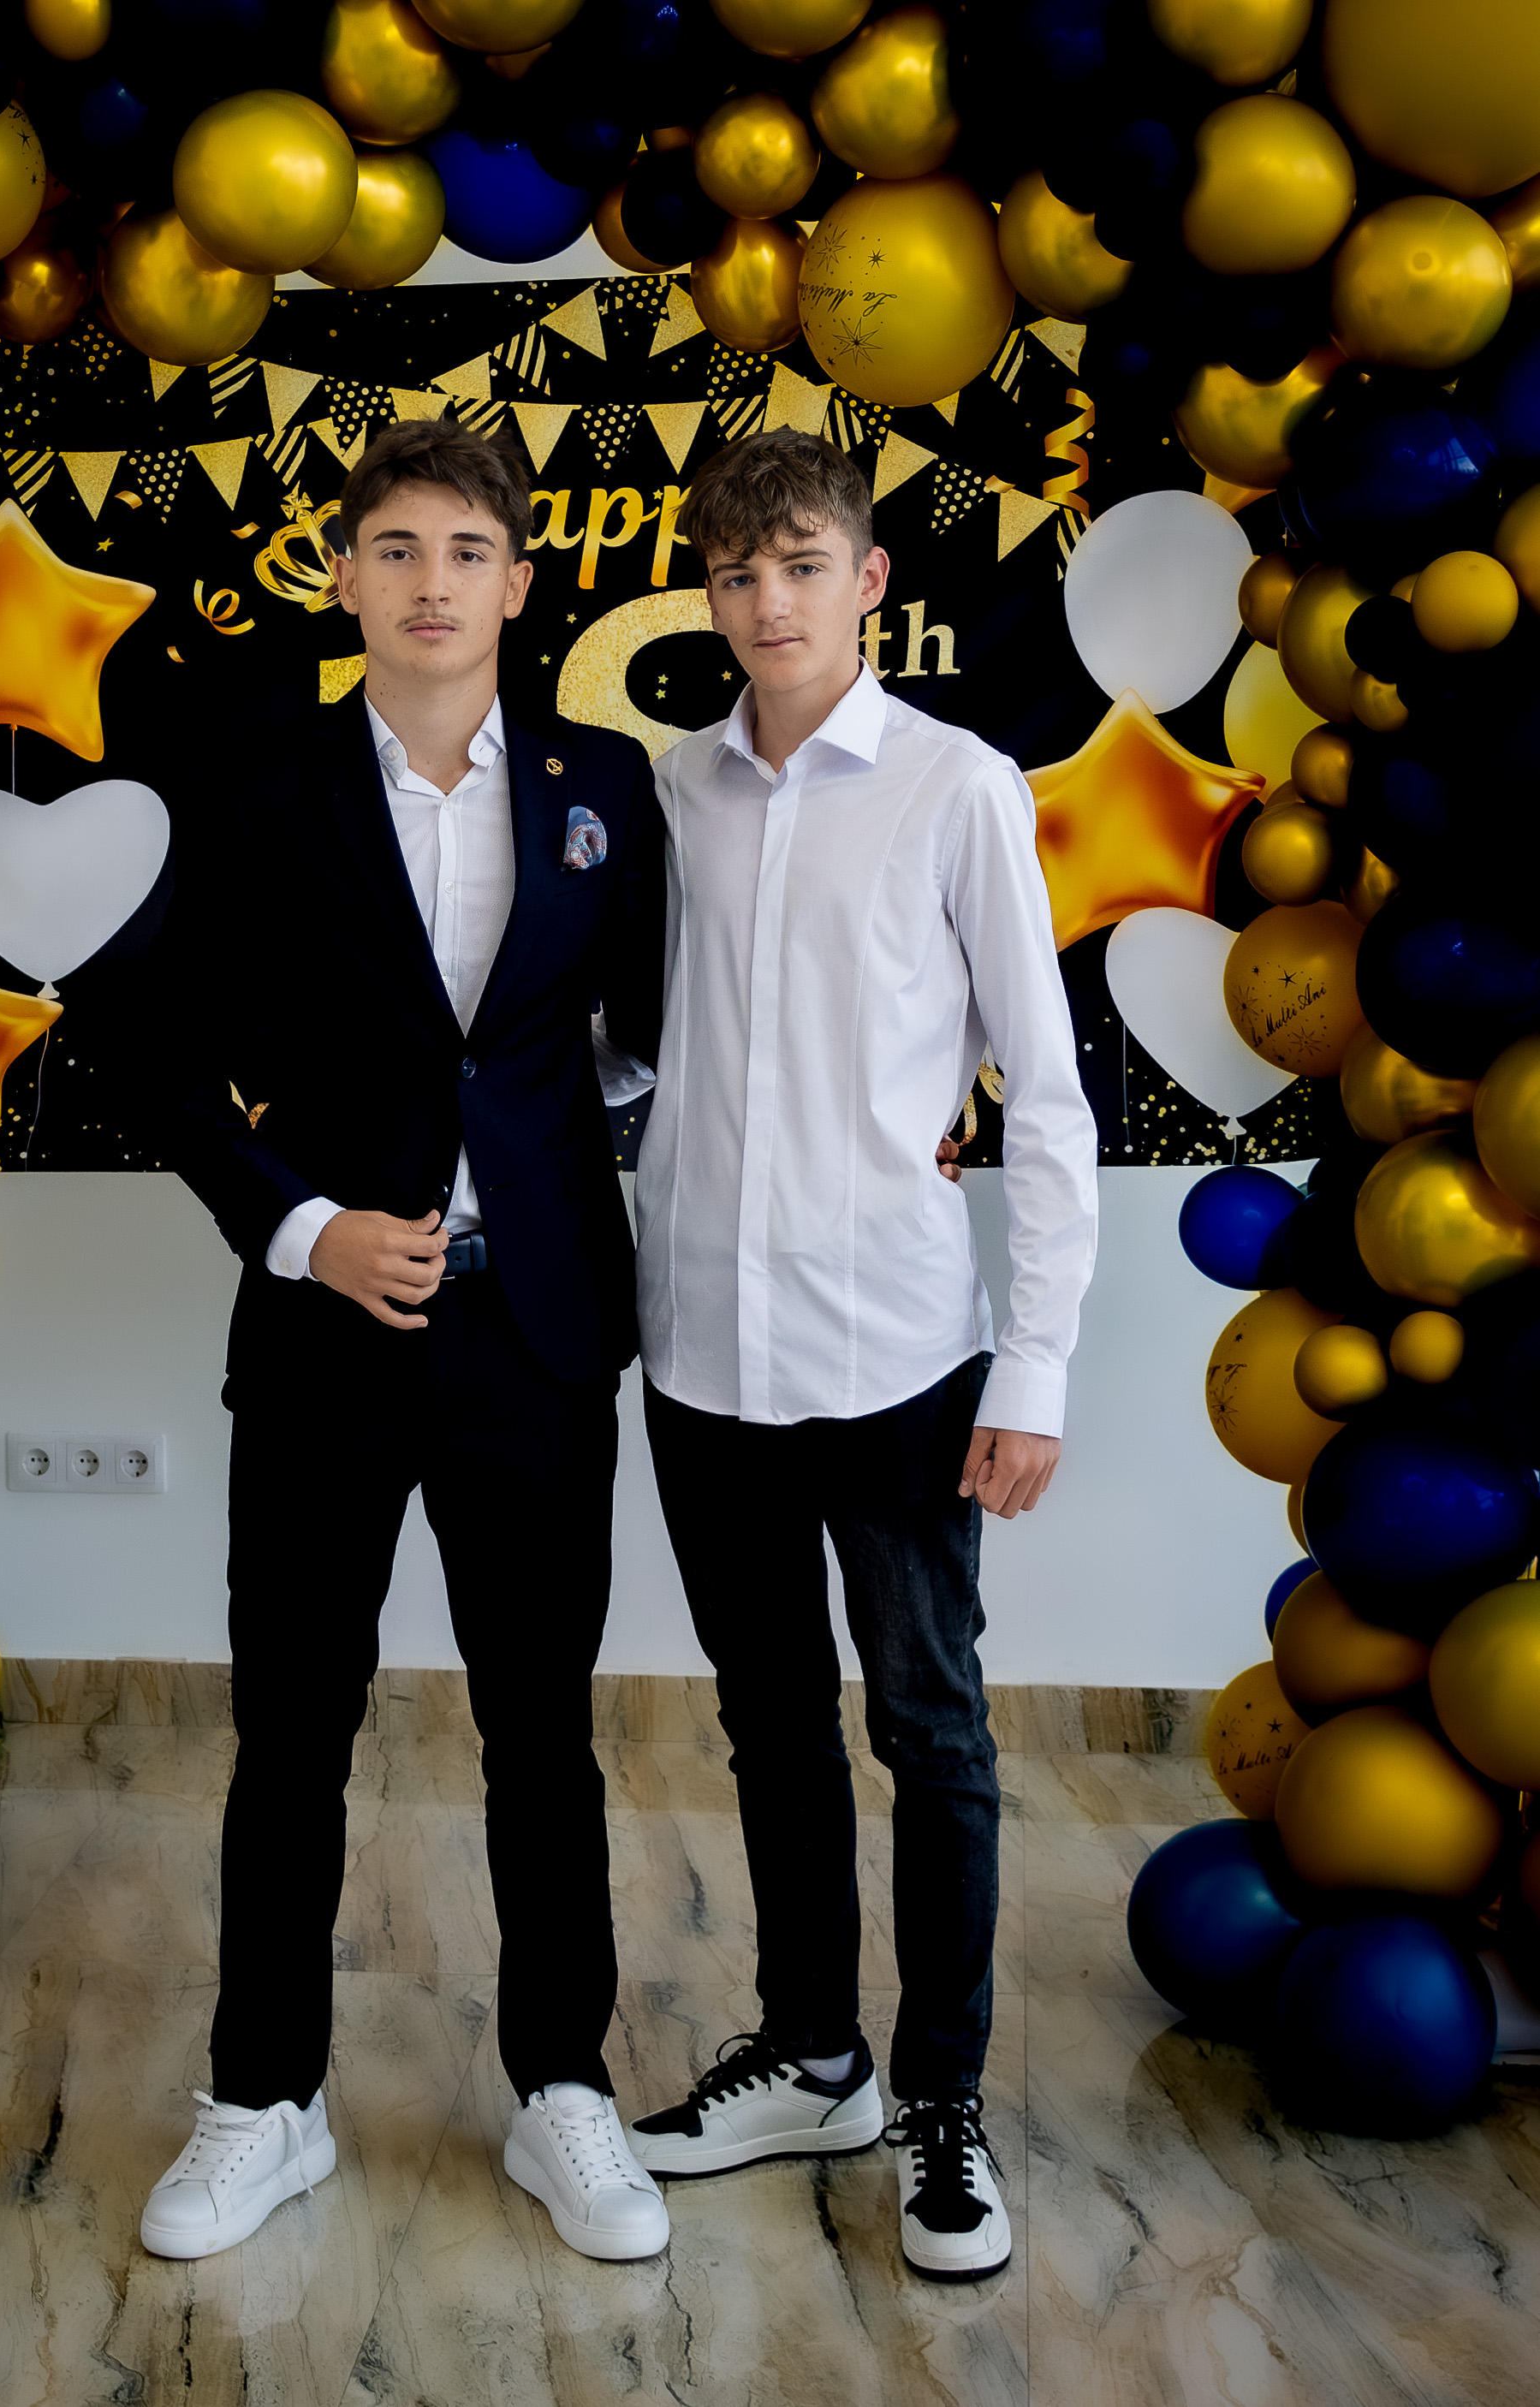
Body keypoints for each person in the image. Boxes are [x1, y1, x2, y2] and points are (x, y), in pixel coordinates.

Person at [144, 419, 669, 2264]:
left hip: (536, 1332)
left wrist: (528, 1166)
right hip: (322, 1334)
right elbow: (159, 1057)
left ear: (518, 582)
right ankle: (263, 2098)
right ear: (346, 576)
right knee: (291, 1726)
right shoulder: (258, 781)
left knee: (544, 1729)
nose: (431, 582)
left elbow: (653, 1033)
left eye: (464, 549)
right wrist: (306, 1227)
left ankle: (563, 2088)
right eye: (395, 548)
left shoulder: (607, 781)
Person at [621, 429, 1098, 2281]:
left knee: (931, 1727)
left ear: (869, 580)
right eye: (736, 572)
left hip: (896, 1353)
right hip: (700, 1354)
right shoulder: (673, 790)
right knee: (767, 1721)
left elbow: (1043, 1097)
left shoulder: (956, 786)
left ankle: (940, 2101)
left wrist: (1034, 1369)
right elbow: (640, 1042)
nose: (767, 601)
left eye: (801, 564)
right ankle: (814, 2054)